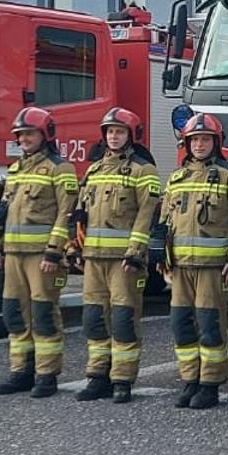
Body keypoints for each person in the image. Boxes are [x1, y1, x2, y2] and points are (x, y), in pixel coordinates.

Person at [64, 107, 161, 403]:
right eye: (110, 132)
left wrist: (135, 253)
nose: (114, 137)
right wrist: (73, 247)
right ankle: (97, 376)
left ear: (131, 135)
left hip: (124, 262)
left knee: (123, 318)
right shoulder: (93, 171)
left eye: (119, 132)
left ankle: (122, 379)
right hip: (94, 258)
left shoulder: (144, 172)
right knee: (94, 318)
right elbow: (80, 214)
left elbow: (147, 216)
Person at [160, 111, 228, 410]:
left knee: (209, 325)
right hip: (180, 268)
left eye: (205, 139)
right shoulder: (177, 177)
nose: (199, 145)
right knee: (181, 325)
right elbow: (165, 221)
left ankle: (210, 384)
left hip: (213, 268)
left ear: (217, 142)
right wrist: (162, 257)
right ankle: (190, 380)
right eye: (194, 140)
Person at [0, 107, 78, 399]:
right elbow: (2, 212)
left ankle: (46, 374)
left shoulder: (60, 168)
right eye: (21, 134)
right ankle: (21, 371)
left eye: (29, 133)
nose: (24, 139)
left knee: (43, 315)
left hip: (42, 257)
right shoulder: (15, 170)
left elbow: (66, 214)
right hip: (13, 254)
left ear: (45, 134)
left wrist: (54, 252)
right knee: (15, 314)